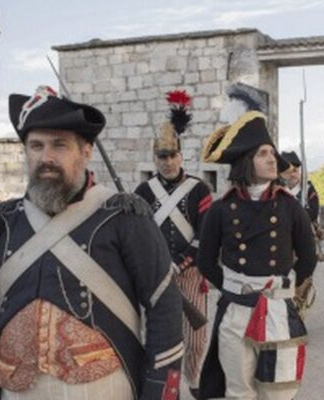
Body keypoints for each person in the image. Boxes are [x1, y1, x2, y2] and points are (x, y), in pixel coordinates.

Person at [0, 86, 184, 400]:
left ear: (86, 152)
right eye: (36, 145)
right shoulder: (3, 221)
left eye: (59, 145)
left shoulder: (124, 215)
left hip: (100, 389)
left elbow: (164, 304)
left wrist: (158, 390)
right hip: (14, 390)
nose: (46, 157)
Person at [198, 109, 317, 400]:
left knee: (278, 392)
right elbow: (205, 262)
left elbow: (308, 258)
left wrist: (285, 291)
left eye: (272, 153)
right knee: (238, 392)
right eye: (263, 153)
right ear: (245, 161)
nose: (272, 159)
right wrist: (234, 288)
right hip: (236, 310)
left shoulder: (290, 207)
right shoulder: (220, 209)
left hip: (277, 310)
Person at [134, 90, 211, 399]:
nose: (167, 162)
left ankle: (194, 381)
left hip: (189, 274)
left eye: (171, 156)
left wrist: (180, 263)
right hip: (155, 275)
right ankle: (163, 385)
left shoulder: (198, 189)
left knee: (196, 338)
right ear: (155, 159)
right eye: (161, 157)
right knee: (158, 335)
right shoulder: (144, 191)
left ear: (181, 156)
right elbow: (138, 233)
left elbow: (204, 235)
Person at [279, 151, 319, 223]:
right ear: (281, 173)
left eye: (295, 171)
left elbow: (313, 214)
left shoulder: (308, 189)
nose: (292, 175)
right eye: (288, 172)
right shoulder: (276, 190)